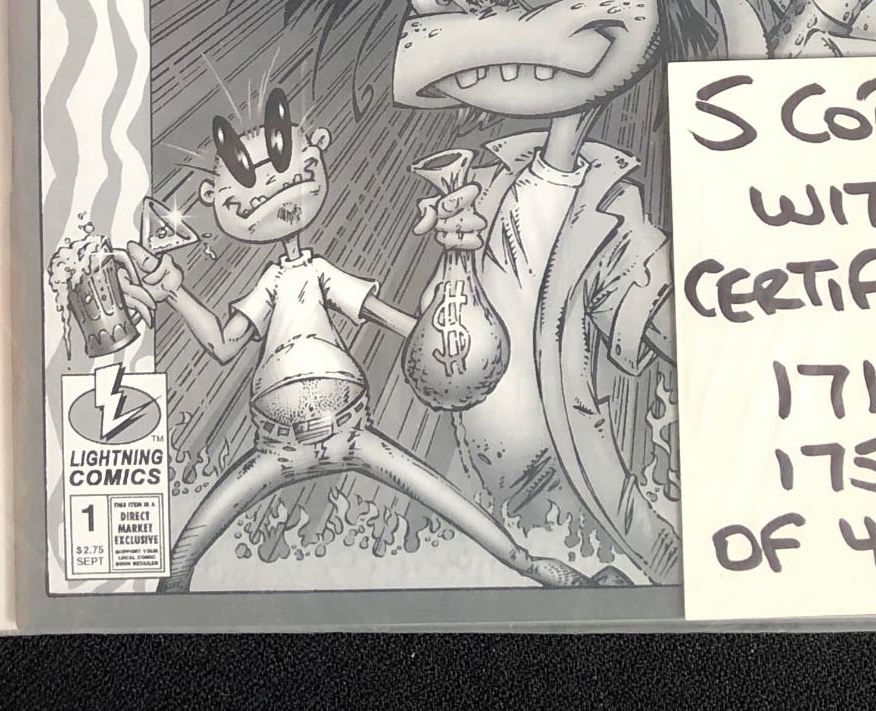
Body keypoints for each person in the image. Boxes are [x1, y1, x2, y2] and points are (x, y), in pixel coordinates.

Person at [246, 0, 730, 583]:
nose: (499, 23)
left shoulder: (608, 209)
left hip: (585, 498)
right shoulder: (477, 182)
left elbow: (669, 319)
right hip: (479, 502)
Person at [122, 79, 622, 591]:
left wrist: (449, 327)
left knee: (476, 524)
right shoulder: (272, 283)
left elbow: (395, 323)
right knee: (179, 563)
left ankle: (559, 579)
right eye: (250, 181)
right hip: (275, 449)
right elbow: (223, 345)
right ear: (213, 198)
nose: (273, 189)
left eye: (287, 165)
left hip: (352, 432)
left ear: (318, 147)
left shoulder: (320, 274)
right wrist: (173, 291)